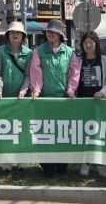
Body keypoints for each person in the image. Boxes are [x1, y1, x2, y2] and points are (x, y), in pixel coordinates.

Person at [23, 19, 80, 177]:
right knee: (45, 134)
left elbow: (74, 73)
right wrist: (36, 90)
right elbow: (36, 72)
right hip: (45, 101)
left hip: (63, 101)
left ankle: (62, 165)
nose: (51, 34)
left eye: (55, 32)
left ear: (61, 35)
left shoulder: (70, 52)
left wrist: (71, 90)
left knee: (63, 133)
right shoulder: (39, 51)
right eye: (49, 31)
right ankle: (47, 166)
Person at [0, 21, 32, 171]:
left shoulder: (29, 53)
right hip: (4, 96)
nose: (15, 35)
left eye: (18, 33)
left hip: (22, 97)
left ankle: (21, 160)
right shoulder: (0, 51)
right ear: (8, 35)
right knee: (5, 128)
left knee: (22, 128)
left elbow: (28, 75)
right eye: (12, 32)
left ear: (23, 36)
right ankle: (6, 161)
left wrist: (23, 90)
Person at [75, 31, 106, 178]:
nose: (88, 45)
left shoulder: (105, 61)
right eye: (85, 43)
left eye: (91, 42)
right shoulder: (78, 61)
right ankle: (85, 163)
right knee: (85, 133)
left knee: (99, 134)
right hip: (82, 103)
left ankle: (101, 164)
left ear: (96, 44)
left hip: (99, 104)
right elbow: (73, 79)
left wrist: (102, 93)